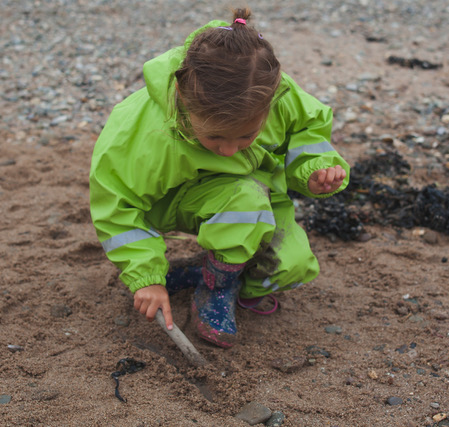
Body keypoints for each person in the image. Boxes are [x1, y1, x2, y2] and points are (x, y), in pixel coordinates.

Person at [89, 8, 349, 348]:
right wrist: (145, 277)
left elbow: (306, 130)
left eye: (245, 137)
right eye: (214, 139)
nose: (229, 151)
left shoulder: (270, 91)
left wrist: (313, 169)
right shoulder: (142, 132)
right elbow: (116, 207)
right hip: (175, 202)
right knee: (246, 198)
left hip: (251, 193)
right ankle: (216, 289)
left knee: (290, 267)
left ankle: (210, 271)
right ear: (183, 99)